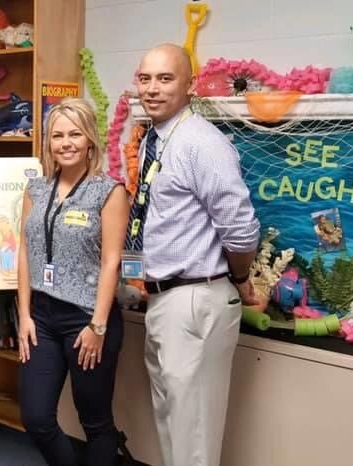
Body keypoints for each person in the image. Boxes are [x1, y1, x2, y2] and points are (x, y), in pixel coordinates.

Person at [129, 44, 261, 466]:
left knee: (195, 436)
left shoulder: (201, 143)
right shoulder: (156, 138)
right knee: (174, 425)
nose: (152, 88)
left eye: (165, 79)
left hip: (195, 298)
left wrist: (241, 279)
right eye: (145, 78)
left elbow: (240, 230)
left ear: (190, 85)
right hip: (164, 299)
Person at [17, 97, 129, 466]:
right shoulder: (35, 190)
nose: (65, 143)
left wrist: (98, 325)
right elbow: (24, 251)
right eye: (57, 135)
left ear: (90, 141)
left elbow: (112, 261)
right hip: (42, 318)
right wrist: (24, 316)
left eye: (75, 134)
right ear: (47, 142)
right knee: (35, 417)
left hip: (87, 319)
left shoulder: (108, 191)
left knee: (95, 423)